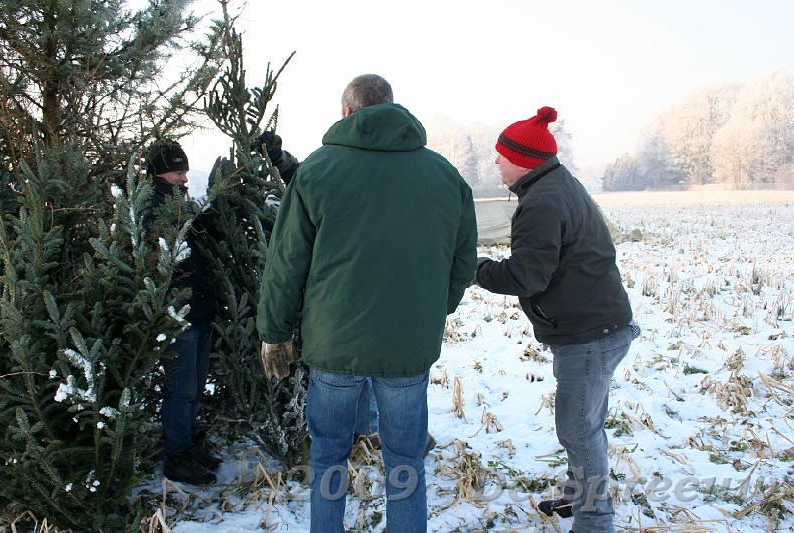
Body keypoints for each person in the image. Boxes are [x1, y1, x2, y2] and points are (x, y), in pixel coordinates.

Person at [256, 74, 477, 533]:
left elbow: (286, 262)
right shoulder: (444, 176)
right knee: (405, 463)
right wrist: (432, 311)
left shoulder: (316, 171)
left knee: (330, 457)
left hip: (333, 346)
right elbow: (461, 263)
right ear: (393, 109)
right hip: (406, 349)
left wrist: (275, 332)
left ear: (346, 113)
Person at [474, 107, 638, 533]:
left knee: (579, 430)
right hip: (599, 323)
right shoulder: (554, 185)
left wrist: (476, 269)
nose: (496, 161)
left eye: (501, 155)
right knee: (587, 423)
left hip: (588, 333)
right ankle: (577, 494)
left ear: (524, 159)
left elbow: (525, 276)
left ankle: (595, 522)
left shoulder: (543, 202)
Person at [144, 142, 222, 485]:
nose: (184, 177)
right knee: (182, 388)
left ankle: (189, 443)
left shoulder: (179, 202)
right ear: (158, 172)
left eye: (185, 171)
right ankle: (177, 454)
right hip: (179, 313)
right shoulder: (150, 207)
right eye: (178, 172)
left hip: (199, 308)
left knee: (196, 384)